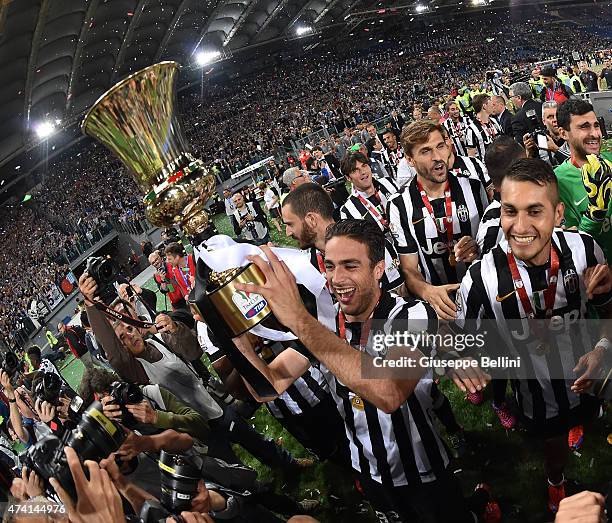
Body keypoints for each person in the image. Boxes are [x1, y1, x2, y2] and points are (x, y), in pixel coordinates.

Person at [230, 222, 495, 522]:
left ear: (378, 269)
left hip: (422, 467)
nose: (336, 279)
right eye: (330, 266)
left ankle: (478, 506)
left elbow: (389, 392)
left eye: (350, 266)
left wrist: (300, 321)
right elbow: (268, 385)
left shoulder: (412, 315)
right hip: (370, 470)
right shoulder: (327, 324)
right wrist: (233, 333)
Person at [453, 158, 611, 514]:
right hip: (537, 397)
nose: (520, 226)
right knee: (553, 448)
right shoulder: (481, 278)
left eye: (534, 212)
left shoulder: (585, 250)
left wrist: (602, 347)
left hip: (594, 374)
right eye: (511, 211)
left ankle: (579, 425)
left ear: (557, 214)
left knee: (587, 414)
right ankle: (555, 483)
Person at [78, 274, 311, 474]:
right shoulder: (134, 369)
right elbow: (115, 355)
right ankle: (266, 497)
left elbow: (193, 351)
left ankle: (288, 464)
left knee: (254, 439)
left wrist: (176, 329)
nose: (130, 336)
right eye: (122, 339)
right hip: (194, 430)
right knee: (234, 471)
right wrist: (90, 305)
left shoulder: (158, 339)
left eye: (130, 329)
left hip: (213, 408)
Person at [387, 120, 489, 322]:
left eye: (440, 146)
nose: (437, 157)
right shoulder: (399, 205)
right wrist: (427, 292)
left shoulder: (475, 189)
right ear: (409, 159)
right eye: (425, 151)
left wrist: (479, 249)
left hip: (486, 295)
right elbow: (409, 267)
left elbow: (495, 244)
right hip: (442, 309)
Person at [554, 99, 612, 261]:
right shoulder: (557, 182)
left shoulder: (610, 160)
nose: (595, 134)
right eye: (584, 127)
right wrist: (595, 215)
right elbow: (572, 247)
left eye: (596, 125)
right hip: (599, 277)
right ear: (563, 133)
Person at [338, 152, 404, 293]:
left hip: (413, 254)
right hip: (389, 272)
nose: (363, 172)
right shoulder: (347, 210)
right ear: (348, 178)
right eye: (355, 170)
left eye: (364, 166)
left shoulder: (390, 183)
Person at [465, 94, 503, 158]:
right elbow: (471, 155)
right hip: (486, 166)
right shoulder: (471, 129)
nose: (493, 107)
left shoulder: (494, 121)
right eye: (492, 105)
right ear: (484, 106)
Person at [510, 81, 543, 147]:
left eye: (511, 97)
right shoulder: (543, 105)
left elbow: (520, 145)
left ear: (519, 98)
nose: (511, 100)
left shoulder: (517, 118)